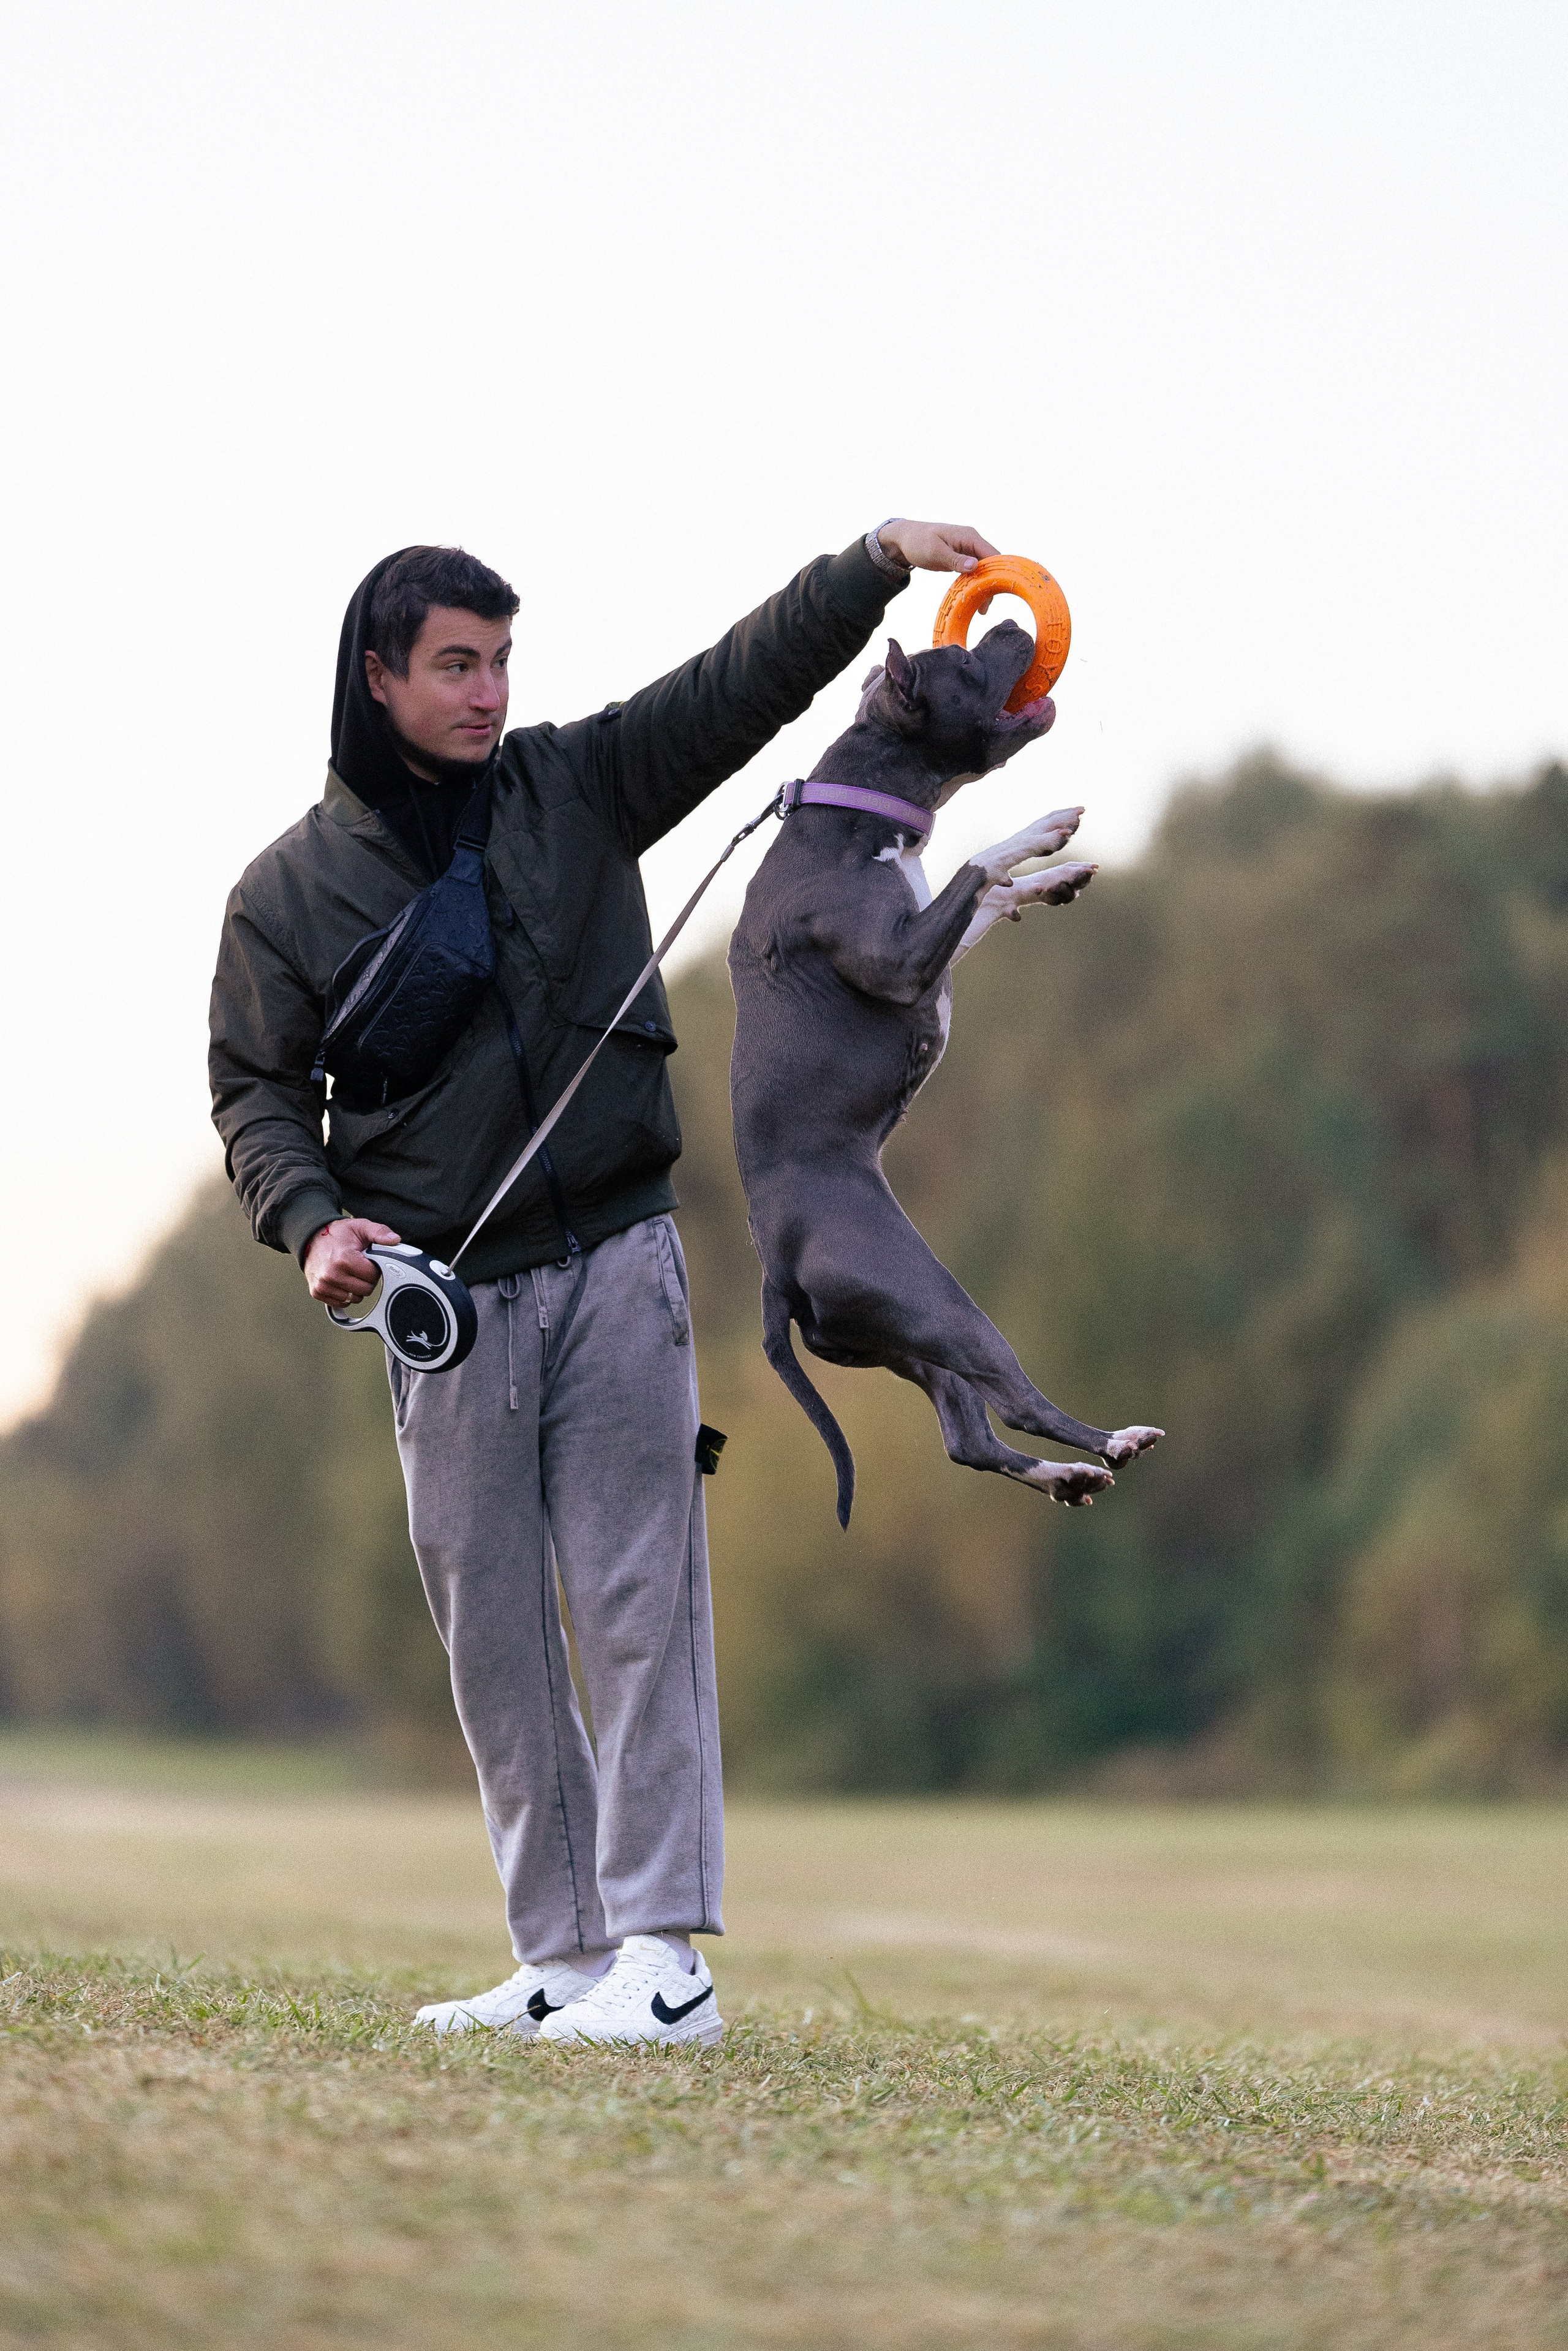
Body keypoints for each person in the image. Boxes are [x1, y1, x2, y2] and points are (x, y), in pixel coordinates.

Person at [208, 519, 997, 2047]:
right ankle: (563, 1959)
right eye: (456, 664)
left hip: (619, 1262)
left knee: (641, 1604)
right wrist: (310, 1222)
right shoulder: (285, 894)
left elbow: (739, 683)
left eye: (502, 660)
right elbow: (252, 1091)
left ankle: (665, 1961)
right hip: (437, 1304)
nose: (489, 690)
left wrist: (872, 566)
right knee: (491, 1630)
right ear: (377, 679)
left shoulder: (578, 782)